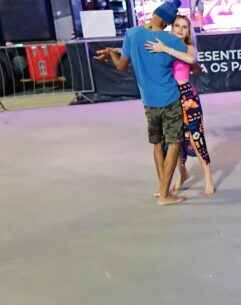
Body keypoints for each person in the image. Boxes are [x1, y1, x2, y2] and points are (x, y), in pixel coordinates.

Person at [95, 0, 187, 205]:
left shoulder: (132, 34)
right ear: (167, 22)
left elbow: (120, 65)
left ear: (154, 14)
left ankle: (161, 188)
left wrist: (111, 52)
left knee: (157, 144)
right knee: (174, 144)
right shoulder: (172, 41)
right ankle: (165, 195)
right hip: (170, 99)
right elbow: (192, 61)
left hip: (149, 102)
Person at [146, 15, 216, 198]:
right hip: (169, 95)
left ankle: (208, 177)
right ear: (171, 27)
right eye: (177, 25)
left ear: (188, 31)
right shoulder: (162, 46)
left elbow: (191, 60)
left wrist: (165, 48)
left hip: (187, 96)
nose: (180, 29)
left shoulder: (189, 48)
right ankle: (181, 173)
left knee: (195, 136)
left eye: (184, 27)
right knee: (175, 140)